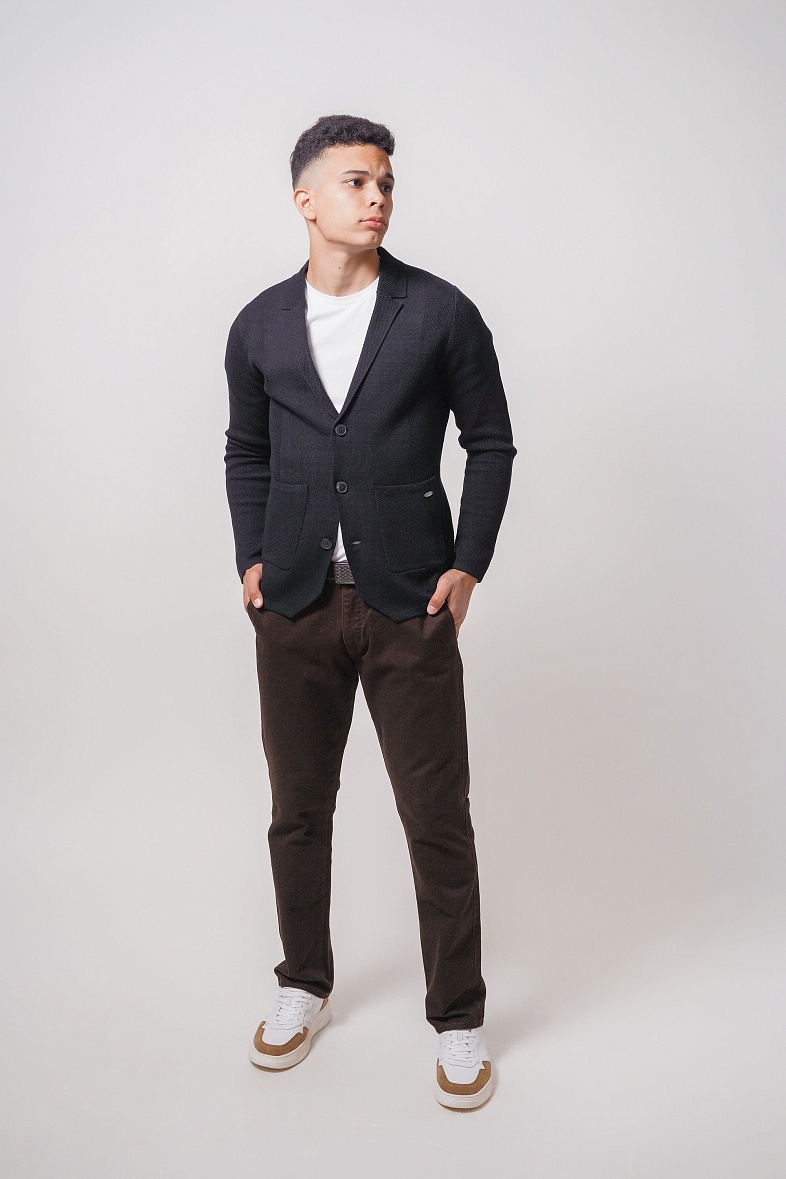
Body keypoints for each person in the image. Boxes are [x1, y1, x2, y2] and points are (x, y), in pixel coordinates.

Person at [223, 114, 516, 1110]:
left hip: (409, 604)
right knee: (297, 812)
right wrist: (251, 556)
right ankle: (303, 984)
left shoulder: (440, 312)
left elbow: (490, 441)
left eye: (386, 182)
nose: (378, 197)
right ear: (305, 199)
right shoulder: (260, 324)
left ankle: (459, 1016)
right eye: (356, 181)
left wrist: (467, 566)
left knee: (437, 819)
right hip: (294, 606)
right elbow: (246, 450)